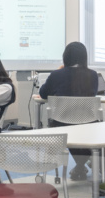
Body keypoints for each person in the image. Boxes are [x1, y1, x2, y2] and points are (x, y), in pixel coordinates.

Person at [38, 41, 99, 180]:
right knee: (77, 126)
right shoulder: (93, 75)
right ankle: (81, 166)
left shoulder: (57, 75)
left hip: (61, 124)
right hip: (88, 123)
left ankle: (79, 166)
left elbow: (43, 94)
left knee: (70, 124)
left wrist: (60, 71)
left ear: (65, 57)